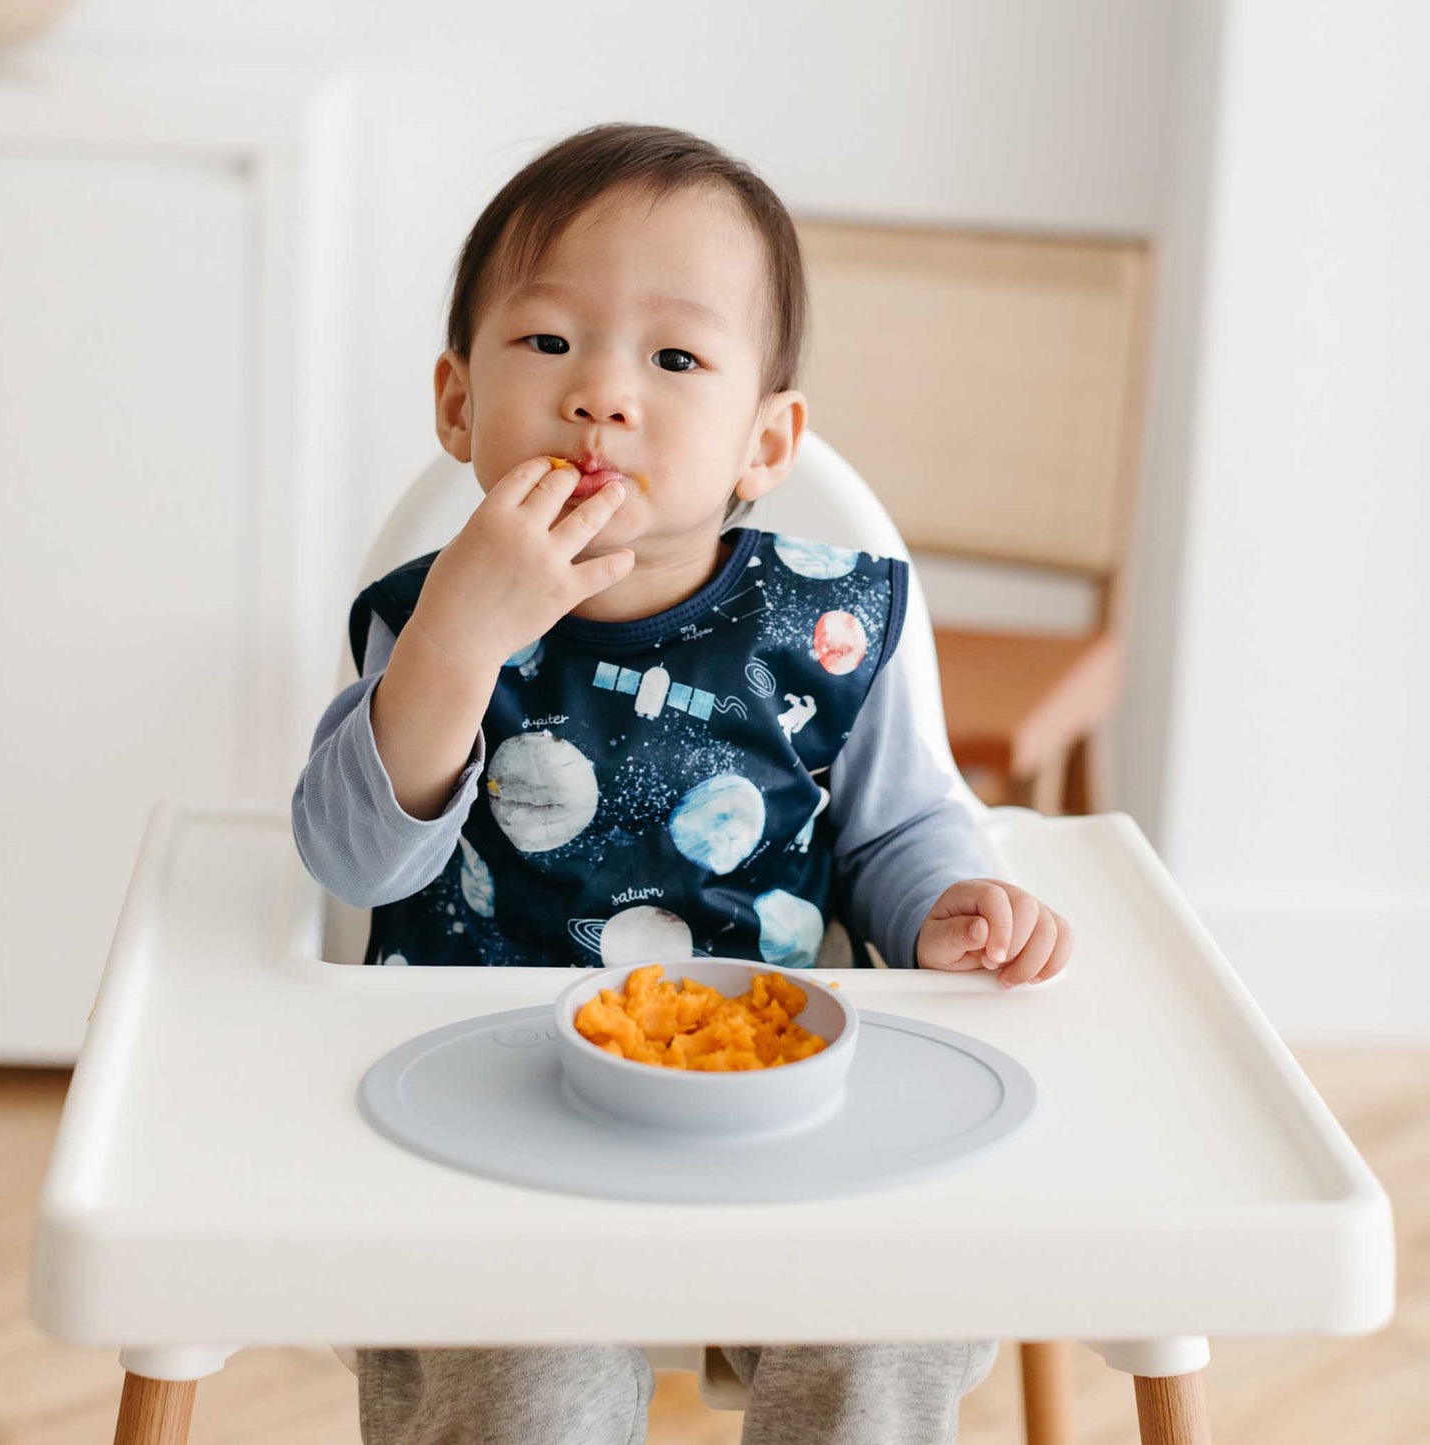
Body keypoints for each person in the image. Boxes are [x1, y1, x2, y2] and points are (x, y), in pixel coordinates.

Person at [294, 121, 1073, 1445]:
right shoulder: (428, 615)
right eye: (547, 342)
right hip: (494, 1100)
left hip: (772, 1096)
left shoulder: (837, 626)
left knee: (900, 1302)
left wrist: (944, 899)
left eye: (673, 356)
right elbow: (357, 862)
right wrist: (461, 641)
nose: (603, 391)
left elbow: (900, 825)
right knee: (520, 1385)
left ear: (765, 443)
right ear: (455, 403)